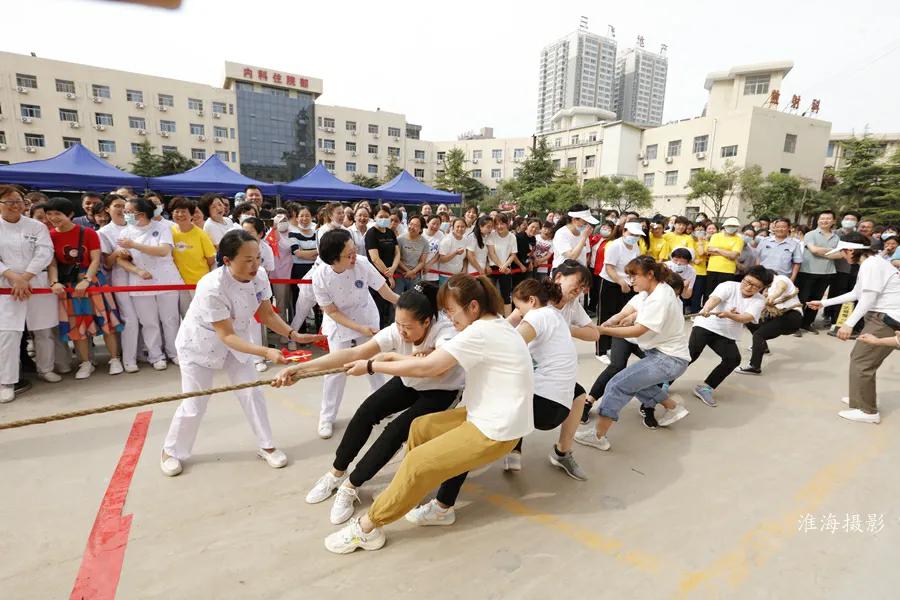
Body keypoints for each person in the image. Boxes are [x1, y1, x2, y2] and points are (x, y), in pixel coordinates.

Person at [312, 274, 533, 554]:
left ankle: (367, 528)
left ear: (473, 307)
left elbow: (429, 368)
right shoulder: (493, 325)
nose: (449, 317)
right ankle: (417, 496)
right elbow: (413, 360)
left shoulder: (478, 332)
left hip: (496, 428)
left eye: (451, 311)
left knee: (417, 462)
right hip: (485, 414)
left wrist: (373, 366)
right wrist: (304, 369)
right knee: (420, 427)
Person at [281, 284, 465, 524]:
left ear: (427, 321)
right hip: (411, 381)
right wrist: (301, 368)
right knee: (367, 411)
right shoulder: (396, 331)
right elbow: (356, 353)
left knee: (396, 431)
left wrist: (389, 359)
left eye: (408, 327)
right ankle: (336, 472)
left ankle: (351, 485)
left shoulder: (446, 332)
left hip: (440, 391)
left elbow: (436, 370)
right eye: (398, 324)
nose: (401, 332)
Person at [160, 230, 320, 476]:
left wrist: (292, 335)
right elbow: (226, 335)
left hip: (240, 341)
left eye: (257, 257)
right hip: (200, 345)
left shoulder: (260, 276)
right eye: (247, 259)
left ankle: (266, 446)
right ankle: (172, 451)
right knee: (195, 403)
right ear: (227, 260)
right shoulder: (212, 286)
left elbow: (266, 314)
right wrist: (267, 351)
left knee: (252, 393)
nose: (254, 264)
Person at [575, 256, 692, 452]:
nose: (631, 281)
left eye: (634, 276)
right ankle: (673, 407)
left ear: (650, 274)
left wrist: (603, 331)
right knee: (636, 383)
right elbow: (631, 308)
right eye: (629, 277)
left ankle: (598, 436)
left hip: (668, 359)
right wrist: (614, 321)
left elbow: (638, 331)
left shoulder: (659, 298)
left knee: (617, 384)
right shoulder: (652, 291)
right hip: (664, 355)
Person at [313, 229, 399, 438]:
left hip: (365, 315)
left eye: (354, 250)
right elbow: (332, 311)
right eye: (348, 254)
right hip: (339, 323)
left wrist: (406, 304)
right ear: (334, 259)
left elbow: (383, 290)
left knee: (374, 364)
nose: (354, 256)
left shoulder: (361, 263)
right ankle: (327, 417)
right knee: (336, 370)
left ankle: (384, 405)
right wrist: (359, 329)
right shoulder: (320, 277)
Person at [806, 234, 900, 424]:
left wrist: (848, 324)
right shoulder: (871, 263)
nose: (843, 257)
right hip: (880, 317)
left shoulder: (872, 265)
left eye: (842, 252)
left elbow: (868, 297)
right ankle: (860, 398)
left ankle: (868, 411)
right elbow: (856, 293)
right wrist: (824, 302)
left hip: (885, 320)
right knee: (863, 360)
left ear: (850, 250)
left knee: (862, 362)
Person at [502, 278, 589, 480]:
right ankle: (562, 453)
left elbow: (509, 346)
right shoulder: (555, 316)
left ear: (532, 301)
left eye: (518, 307)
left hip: (542, 406)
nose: (518, 312)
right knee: (579, 393)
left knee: (507, 381)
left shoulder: (537, 316)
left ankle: (510, 447)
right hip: (559, 408)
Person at [45, 197, 123, 379]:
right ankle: (85, 362)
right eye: (50, 214)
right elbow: (52, 263)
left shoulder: (87, 232)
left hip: (94, 281)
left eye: (58, 213)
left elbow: (96, 259)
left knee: (106, 321)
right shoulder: (49, 235)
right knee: (77, 325)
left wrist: (87, 279)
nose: (53, 217)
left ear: (70, 214)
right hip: (70, 285)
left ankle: (114, 358)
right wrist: (54, 282)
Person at [0, 185, 59, 402]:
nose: (15, 206)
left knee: (43, 331)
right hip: (6, 287)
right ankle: (6, 381)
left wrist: (25, 277)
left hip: (35, 282)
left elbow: (45, 252)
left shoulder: (36, 226)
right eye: (9, 202)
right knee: (8, 334)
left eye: (19, 201)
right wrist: (14, 278)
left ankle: (46, 369)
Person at [682, 265, 771, 407]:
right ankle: (663, 384)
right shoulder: (729, 285)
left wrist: (730, 315)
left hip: (726, 333)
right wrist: (707, 309)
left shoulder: (759, 300)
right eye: (747, 282)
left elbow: (747, 318)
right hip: (706, 325)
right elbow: (715, 299)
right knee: (691, 354)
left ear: (762, 288)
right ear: (743, 278)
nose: (749, 287)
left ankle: (705, 388)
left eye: (755, 286)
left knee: (733, 359)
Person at [116, 198, 184, 371]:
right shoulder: (126, 232)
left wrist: (134, 245)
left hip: (166, 278)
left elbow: (163, 251)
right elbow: (121, 259)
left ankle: (174, 353)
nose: (126, 214)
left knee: (170, 319)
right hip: (141, 281)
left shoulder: (162, 227)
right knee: (149, 322)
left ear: (141, 213)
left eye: (129, 211)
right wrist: (137, 271)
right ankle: (155, 355)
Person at [99, 194, 141, 373]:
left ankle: (141, 353)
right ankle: (128, 359)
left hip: (141, 277)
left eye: (125, 206)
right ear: (107, 209)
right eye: (117, 205)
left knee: (143, 318)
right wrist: (117, 253)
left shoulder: (137, 227)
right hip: (120, 279)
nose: (122, 209)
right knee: (129, 318)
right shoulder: (103, 233)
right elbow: (106, 264)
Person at [736, 271, 802, 375]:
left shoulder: (781, 279)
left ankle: (754, 367)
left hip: (792, 317)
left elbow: (781, 287)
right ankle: (763, 348)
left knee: (759, 335)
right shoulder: (769, 289)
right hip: (779, 316)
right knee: (751, 321)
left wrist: (773, 297)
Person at [596, 221, 642, 361]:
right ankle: (601, 351)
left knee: (621, 316)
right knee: (606, 315)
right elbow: (609, 268)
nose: (633, 237)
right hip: (611, 282)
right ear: (624, 231)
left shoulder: (635, 246)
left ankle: (613, 347)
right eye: (631, 233)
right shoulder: (615, 246)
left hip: (628, 284)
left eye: (637, 235)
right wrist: (621, 282)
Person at [169, 197, 216, 317]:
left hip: (199, 284)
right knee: (186, 317)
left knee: (202, 316)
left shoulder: (201, 234)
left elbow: (211, 260)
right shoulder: (169, 232)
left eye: (184, 211)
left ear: (191, 214)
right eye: (176, 211)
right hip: (178, 284)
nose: (180, 214)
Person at [796, 210, 840, 335]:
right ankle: (795, 325)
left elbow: (840, 254)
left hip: (827, 273)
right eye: (822, 218)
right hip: (808, 271)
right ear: (818, 220)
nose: (824, 220)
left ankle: (807, 323)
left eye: (828, 218)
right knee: (802, 299)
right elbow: (814, 250)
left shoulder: (836, 237)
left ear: (833, 221)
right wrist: (831, 251)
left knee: (816, 300)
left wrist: (825, 252)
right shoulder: (810, 234)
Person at [365, 208, 400, 328]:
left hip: (390, 274)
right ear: (374, 217)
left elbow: (397, 253)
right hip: (376, 276)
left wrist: (393, 269)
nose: (383, 219)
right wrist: (388, 275)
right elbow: (375, 258)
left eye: (386, 216)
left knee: (388, 307)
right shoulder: (371, 234)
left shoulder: (390, 232)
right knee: (377, 308)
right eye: (380, 216)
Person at [487, 213, 520, 315]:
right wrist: (502, 266)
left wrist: (505, 266)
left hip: (506, 268)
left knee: (506, 295)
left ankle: (508, 321)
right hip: (493, 269)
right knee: (490, 294)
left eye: (502, 224)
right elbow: (491, 253)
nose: (499, 226)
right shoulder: (491, 235)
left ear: (507, 224)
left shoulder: (512, 237)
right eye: (496, 224)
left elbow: (513, 254)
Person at [705, 217, 745, 297]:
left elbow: (733, 255)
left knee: (724, 294)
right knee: (709, 293)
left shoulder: (739, 240)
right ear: (725, 226)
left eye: (734, 226)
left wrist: (717, 249)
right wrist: (727, 253)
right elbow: (709, 251)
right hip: (712, 268)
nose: (731, 228)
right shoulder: (715, 236)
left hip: (728, 271)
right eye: (729, 225)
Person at [551, 205, 596, 269]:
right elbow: (571, 257)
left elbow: (584, 256)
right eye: (585, 222)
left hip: (579, 274)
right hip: (563, 274)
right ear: (574, 220)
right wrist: (583, 238)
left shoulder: (584, 233)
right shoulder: (561, 233)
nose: (587, 225)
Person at [396, 215, 428, 293]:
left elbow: (422, 262)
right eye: (411, 224)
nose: (412, 227)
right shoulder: (400, 239)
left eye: (416, 226)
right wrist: (408, 271)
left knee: (415, 299)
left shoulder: (425, 242)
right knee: (396, 299)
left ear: (421, 229)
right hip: (399, 275)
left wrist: (413, 272)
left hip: (415, 276)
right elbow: (397, 258)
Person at [437, 218, 468, 284]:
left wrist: (464, 269)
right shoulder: (447, 240)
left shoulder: (465, 240)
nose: (460, 229)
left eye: (463, 227)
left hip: (458, 276)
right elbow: (441, 259)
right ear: (453, 228)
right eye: (458, 226)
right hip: (445, 276)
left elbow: (465, 258)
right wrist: (455, 253)